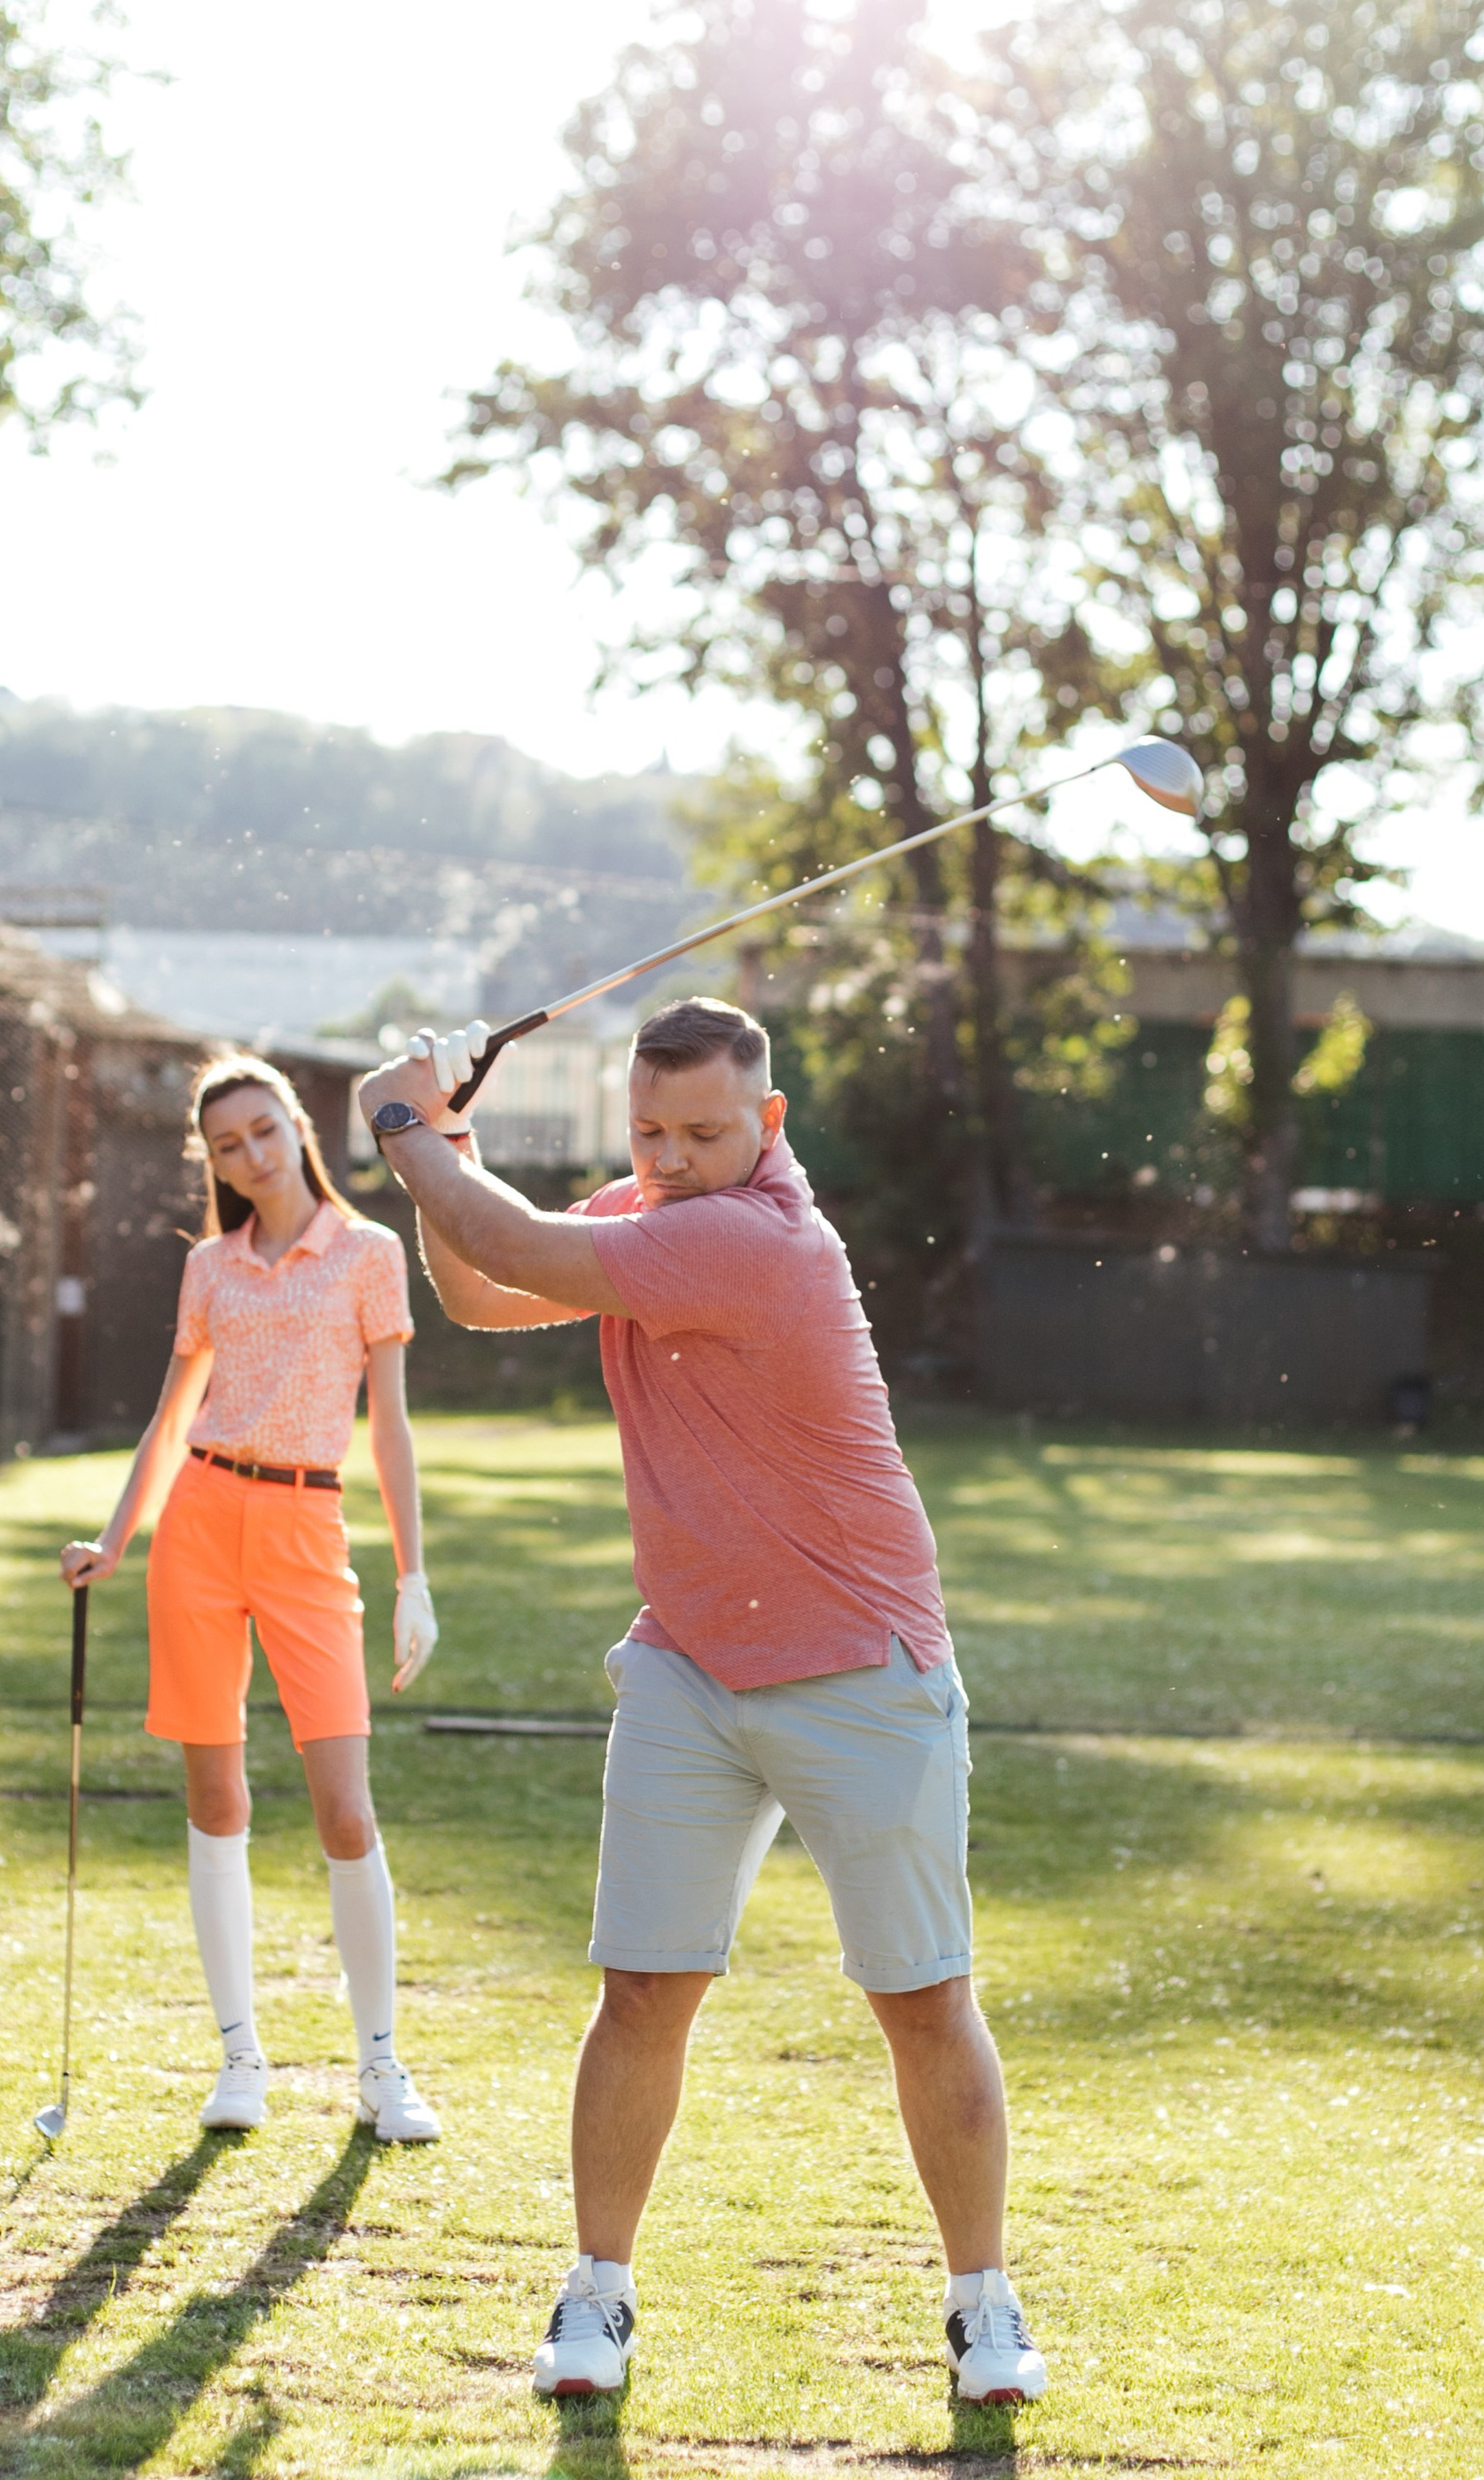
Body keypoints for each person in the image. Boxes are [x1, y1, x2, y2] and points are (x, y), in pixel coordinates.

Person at [356, 998, 1043, 2406]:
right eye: (649, 1132)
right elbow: (484, 1286)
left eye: (704, 1132)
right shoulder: (657, 1208)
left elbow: (514, 1243)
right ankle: (596, 2299)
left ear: (769, 1124)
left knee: (923, 2001)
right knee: (642, 1991)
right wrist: (451, 1142)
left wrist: (402, 1122)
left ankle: (985, 2306)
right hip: (688, 1664)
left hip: (861, 1668)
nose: (668, 1157)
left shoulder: (758, 1241)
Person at [60, 1053, 443, 2145]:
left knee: (345, 1811)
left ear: (298, 1126)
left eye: (263, 1131)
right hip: (199, 1525)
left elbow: (391, 1428)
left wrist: (415, 1575)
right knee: (216, 1804)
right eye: (227, 1144)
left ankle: (381, 2068)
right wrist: (116, 1540)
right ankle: (240, 2060)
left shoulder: (368, 1253)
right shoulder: (211, 1270)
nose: (251, 1155)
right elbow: (169, 1416)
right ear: (213, 1158)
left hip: (307, 1530)